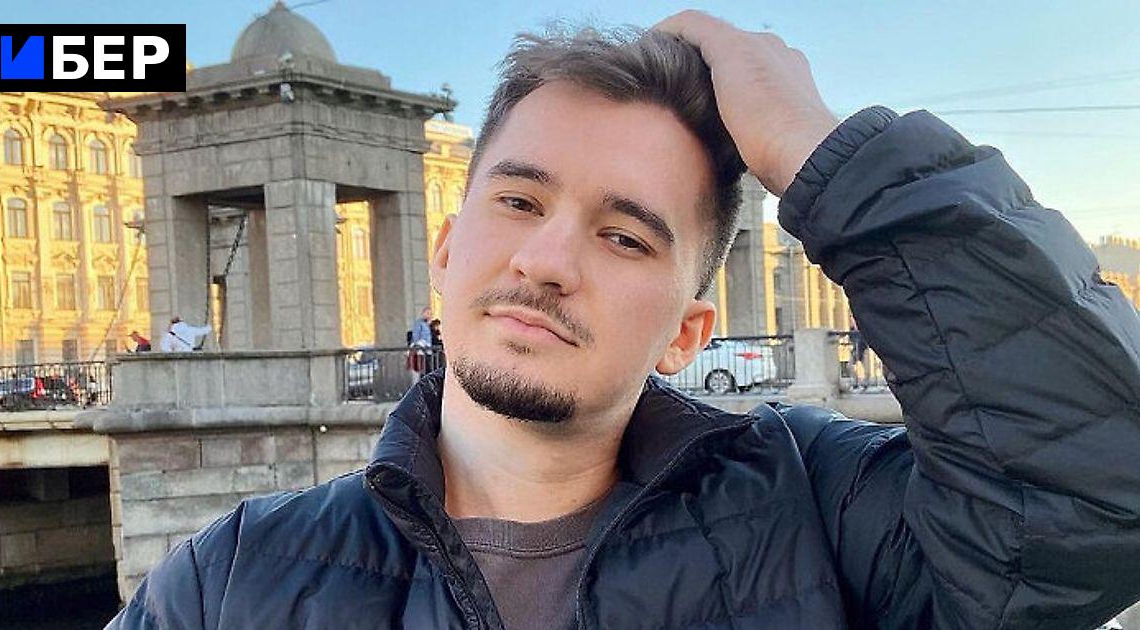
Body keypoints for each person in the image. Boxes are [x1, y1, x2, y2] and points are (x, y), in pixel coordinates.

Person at [109, 12, 1140, 630]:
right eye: (519, 200)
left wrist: (817, 150)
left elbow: (1092, 497)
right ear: (446, 251)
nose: (547, 260)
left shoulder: (819, 510)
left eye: (625, 236)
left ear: (688, 332)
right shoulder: (231, 582)